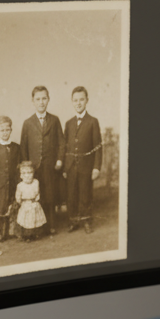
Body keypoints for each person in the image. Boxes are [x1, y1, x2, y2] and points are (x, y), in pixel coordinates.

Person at [19, 86, 64, 234]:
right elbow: (24, 147)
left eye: (44, 98)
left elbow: (61, 142)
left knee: (49, 194)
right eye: (38, 99)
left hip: (50, 165)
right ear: (33, 101)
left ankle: (51, 224)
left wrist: (59, 160)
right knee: (35, 194)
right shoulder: (28, 123)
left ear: (48, 99)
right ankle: (36, 227)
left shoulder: (54, 120)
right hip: (33, 168)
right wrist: (26, 169)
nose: (41, 102)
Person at [62, 86, 103, 234]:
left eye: (81, 99)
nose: (78, 103)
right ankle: (73, 221)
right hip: (71, 166)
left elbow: (98, 147)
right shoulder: (68, 123)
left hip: (87, 165)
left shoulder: (93, 121)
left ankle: (87, 221)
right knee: (71, 194)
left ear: (87, 101)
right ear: (72, 102)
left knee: (85, 193)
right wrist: (65, 167)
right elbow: (64, 147)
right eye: (75, 100)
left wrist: (96, 167)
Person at [14, 161, 46, 241]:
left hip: (34, 203)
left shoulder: (36, 182)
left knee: (35, 218)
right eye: (24, 173)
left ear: (33, 173)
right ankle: (27, 235)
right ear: (21, 175)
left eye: (30, 173)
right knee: (26, 220)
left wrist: (36, 200)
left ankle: (35, 234)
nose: (27, 176)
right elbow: (18, 196)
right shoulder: (20, 185)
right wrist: (21, 202)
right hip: (25, 204)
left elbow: (38, 193)